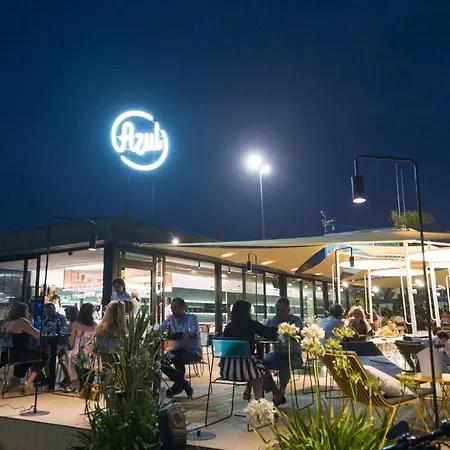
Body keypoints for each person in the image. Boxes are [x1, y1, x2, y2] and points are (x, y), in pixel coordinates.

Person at [222, 299, 278, 400]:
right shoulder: (251, 324)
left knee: (255, 366)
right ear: (247, 312)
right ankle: (259, 404)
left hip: (227, 369)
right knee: (261, 369)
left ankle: (249, 389)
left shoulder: (228, 327)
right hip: (245, 369)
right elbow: (268, 333)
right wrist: (281, 328)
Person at [0, 303, 48, 394]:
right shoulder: (21, 321)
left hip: (5, 354)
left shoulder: (5, 322)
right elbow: (37, 334)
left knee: (29, 357)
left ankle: (15, 379)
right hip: (18, 354)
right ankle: (29, 382)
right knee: (44, 355)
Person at [264, 297, 303, 406]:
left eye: (282, 310)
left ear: (288, 310)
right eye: (277, 310)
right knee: (259, 363)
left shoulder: (295, 320)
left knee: (285, 363)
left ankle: (281, 392)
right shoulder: (271, 320)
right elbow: (265, 334)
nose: (279, 313)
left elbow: (299, 336)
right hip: (276, 354)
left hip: (294, 356)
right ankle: (276, 392)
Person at [160, 297, 201, 397]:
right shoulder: (170, 319)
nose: (173, 310)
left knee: (178, 359)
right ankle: (183, 384)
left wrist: (183, 334)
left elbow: (194, 332)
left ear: (183, 307)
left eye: (176, 307)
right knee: (161, 362)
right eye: (172, 308)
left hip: (192, 352)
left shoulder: (192, 317)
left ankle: (179, 386)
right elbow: (159, 330)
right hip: (176, 351)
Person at [63, 303, 96, 394]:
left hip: (79, 353)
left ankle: (74, 382)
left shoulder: (76, 324)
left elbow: (71, 341)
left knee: (66, 356)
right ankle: (87, 386)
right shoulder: (95, 325)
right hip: (92, 354)